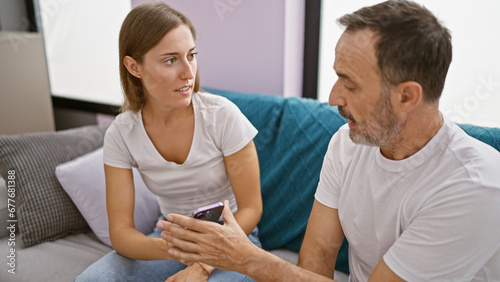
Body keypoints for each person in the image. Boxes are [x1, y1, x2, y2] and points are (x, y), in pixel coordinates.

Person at [157, 1, 500, 281]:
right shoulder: (349, 142)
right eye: (336, 77)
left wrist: (245, 258)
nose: (333, 98)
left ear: (407, 97)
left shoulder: (475, 186)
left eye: (349, 84)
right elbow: (318, 254)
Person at [75, 3, 262, 282]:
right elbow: (121, 233)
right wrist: (176, 248)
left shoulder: (222, 116)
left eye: (191, 55)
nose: (189, 72)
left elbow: (251, 209)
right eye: (171, 60)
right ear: (134, 66)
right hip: (170, 243)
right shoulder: (121, 134)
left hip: (232, 240)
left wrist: (201, 265)